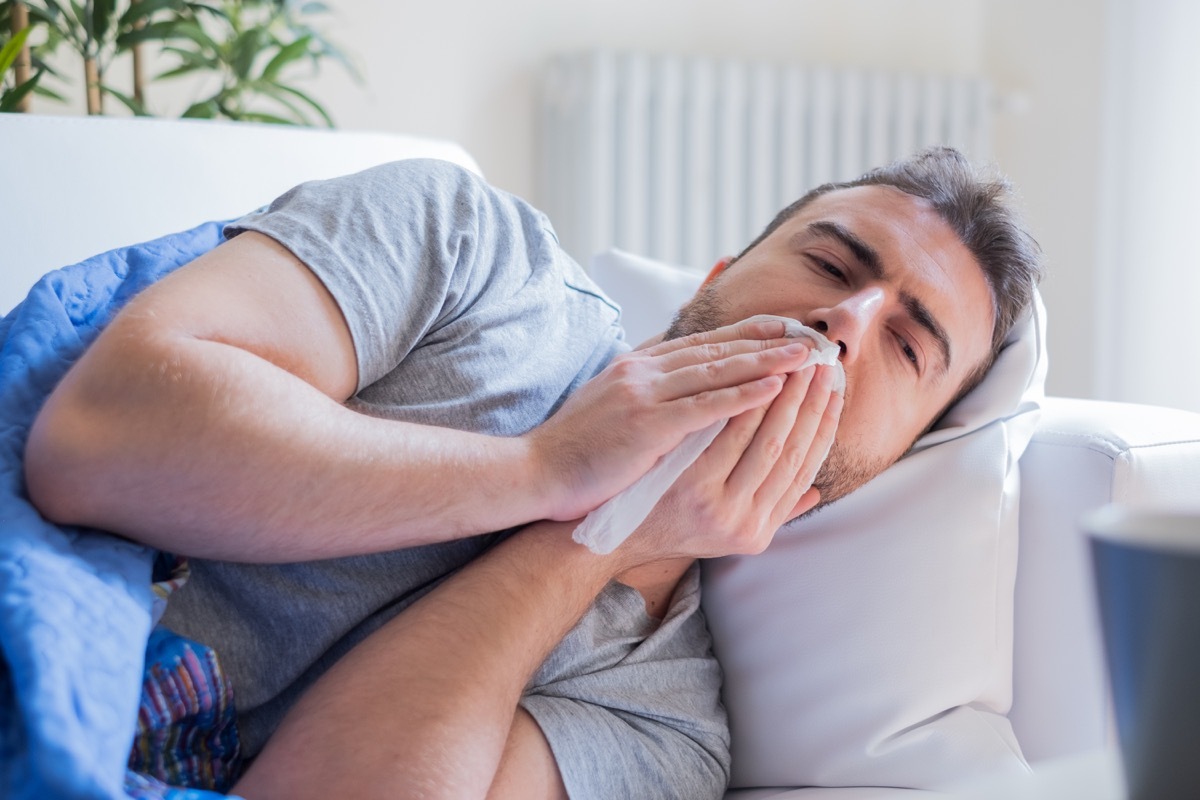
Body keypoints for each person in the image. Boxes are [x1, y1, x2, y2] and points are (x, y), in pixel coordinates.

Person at [23, 146, 1042, 800]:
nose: (846, 323)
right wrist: (542, 465)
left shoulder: (662, 723)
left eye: (908, 347)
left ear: (895, 459)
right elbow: (95, 443)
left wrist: (605, 533)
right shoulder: (475, 250)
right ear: (719, 278)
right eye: (830, 265)